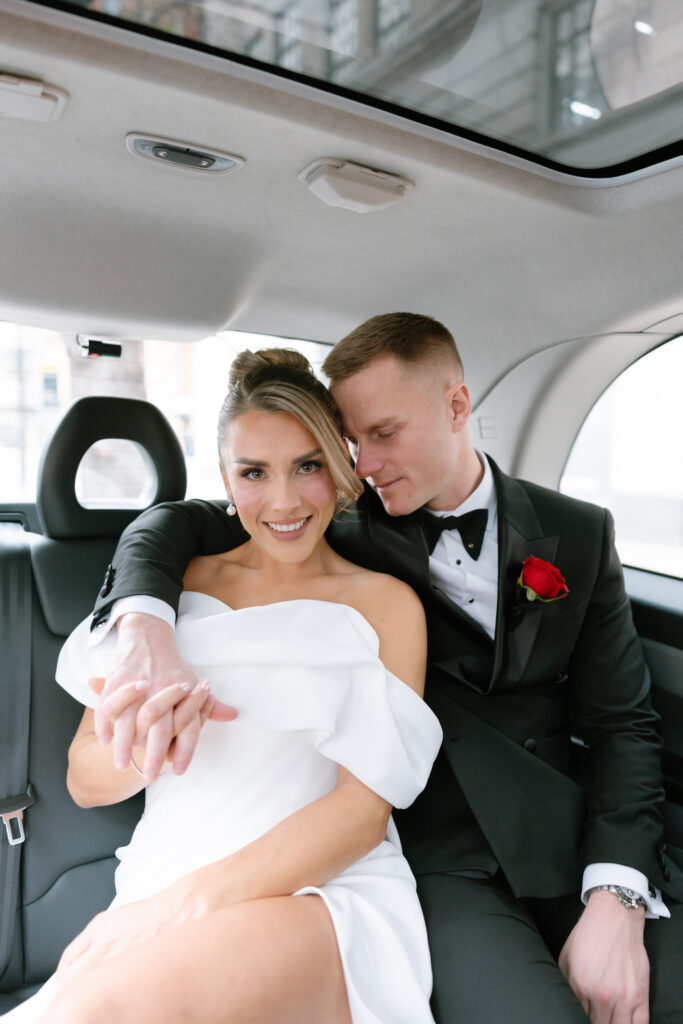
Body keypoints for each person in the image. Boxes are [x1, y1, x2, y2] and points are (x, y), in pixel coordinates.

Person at [85, 314, 683, 1024]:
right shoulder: (328, 528)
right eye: (350, 441)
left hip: (566, 833)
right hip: (440, 858)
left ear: (456, 407)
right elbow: (175, 524)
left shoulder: (579, 531)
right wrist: (145, 621)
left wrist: (614, 895)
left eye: (383, 434)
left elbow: (622, 727)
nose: (361, 464)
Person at [2, 348, 443, 1024]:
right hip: (158, 880)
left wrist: (179, 908)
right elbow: (86, 782)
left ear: (340, 464)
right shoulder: (165, 594)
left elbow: (360, 815)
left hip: (315, 892)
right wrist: (144, 745)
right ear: (226, 482)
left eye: (307, 466)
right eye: (254, 473)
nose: (285, 500)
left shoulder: (385, 606)